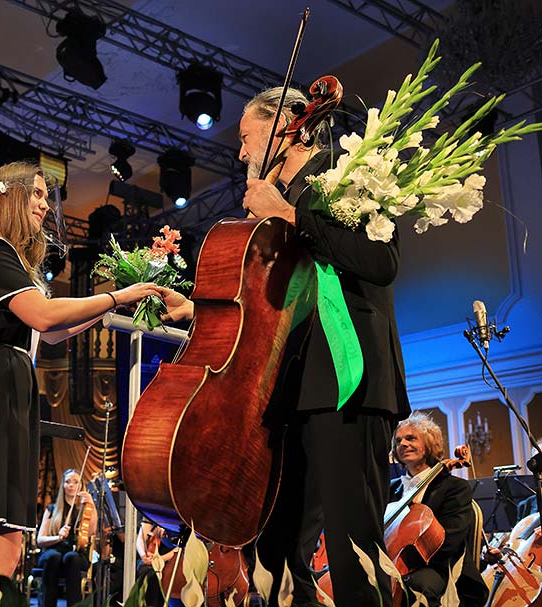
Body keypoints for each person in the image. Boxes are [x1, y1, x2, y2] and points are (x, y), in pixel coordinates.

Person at [160, 87, 411, 607]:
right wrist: (197, 309)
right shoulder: (275, 204)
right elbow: (266, 302)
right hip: (284, 391)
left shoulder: (350, 171)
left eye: (246, 136)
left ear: (285, 127)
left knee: (350, 554)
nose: (240, 153)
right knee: (275, 554)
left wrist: (291, 214)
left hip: (349, 381)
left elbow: (380, 262)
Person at [0, 161, 163, 607]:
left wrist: (107, 308)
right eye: (38, 195)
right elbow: (44, 317)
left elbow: (49, 331)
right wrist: (120, 296)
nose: (46, 206)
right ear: (7, 196)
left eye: (48, 197)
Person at [388, 412, 488, 607]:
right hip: (392, 563)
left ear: (429, 444)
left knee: (418, 585)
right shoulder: (390, 489)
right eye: (398, 440)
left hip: (439, 566)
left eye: (411, 438)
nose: (403, 444)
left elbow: (450, 540)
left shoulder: (454, 487)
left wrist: (404, 562)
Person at [36, 469, 97, 607]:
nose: (71, 485)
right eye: (67, 482)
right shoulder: (52, 509)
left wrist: (92, 505)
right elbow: (40, 540)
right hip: (54, 552)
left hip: (76, 554)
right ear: (63, 485)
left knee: (71, 557)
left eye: (75, 482)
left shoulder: (85, 509)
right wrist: (58, 537)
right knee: (53, 557)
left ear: (81, 485)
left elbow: (91, 532)